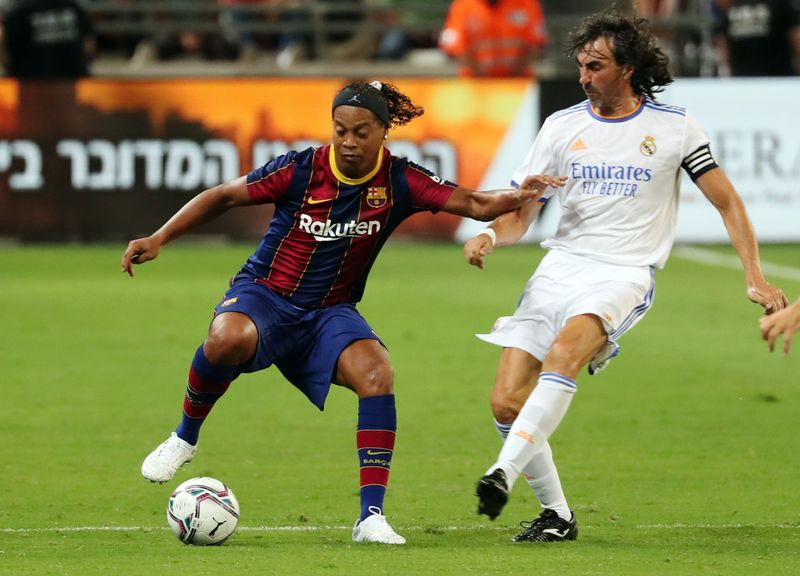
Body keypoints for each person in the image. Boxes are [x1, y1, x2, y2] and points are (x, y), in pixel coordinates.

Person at [120, 80, 559, 546]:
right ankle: (184, 439)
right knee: (226, 337)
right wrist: (160, 237)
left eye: (361, 132)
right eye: (340, 130)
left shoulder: (400, 180)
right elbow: (224, 196)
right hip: (265, 294)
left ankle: (370, 518)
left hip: (329, 312)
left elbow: (475, 203)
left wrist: (520, 195)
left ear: (383, 132)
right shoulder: (300, 169)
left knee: (376, 372)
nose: (348, 142)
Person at [463, 8, 788, 543]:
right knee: (504, 402)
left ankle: (503, 470)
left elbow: (728, 203)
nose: (584, 77)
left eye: (595, 66)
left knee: (566, 354)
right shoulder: (561, 126)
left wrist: (753, 275)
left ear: (628, 67)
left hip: (623, 273)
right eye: (582, 66)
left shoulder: (674, 127)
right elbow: (524, 208)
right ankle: (558, 516)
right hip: (559, 267)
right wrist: (491, 236)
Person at [438, 0, 548, 77]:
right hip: (475, 85)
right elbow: (456, 48)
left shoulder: (526, 3)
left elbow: (535, 43)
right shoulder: (462, 6)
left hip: (518, 84)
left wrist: (513, 74)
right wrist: (481, 74)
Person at [1, 0, 94, 78]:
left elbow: (3, 51)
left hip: (29, 83)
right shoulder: (74, 8)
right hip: (71, 83)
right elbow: (89, 47)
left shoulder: (17, 12)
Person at [713, 0, 800, 76]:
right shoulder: (780, 4)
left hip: (744, 80)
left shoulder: (732, 8)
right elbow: (796, 37)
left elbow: (723, 46)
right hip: (778, 79)